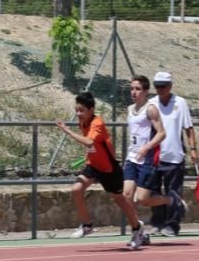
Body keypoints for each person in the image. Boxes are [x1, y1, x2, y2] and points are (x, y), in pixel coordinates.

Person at [56, 91, 147, 249]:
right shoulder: (83, 122)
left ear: (91, 109)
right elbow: (93, 148)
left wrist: (66, 130)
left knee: (122, 202)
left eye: (81, 110)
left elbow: (89, 142)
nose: (78, 114)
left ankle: (137, 229)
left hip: (109, 169)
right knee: (76, 189)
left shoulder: (97, 123)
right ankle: (87, 225)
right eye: (76, 110)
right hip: (93, 166)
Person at [148, 71, 196, 236]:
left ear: (170, 86)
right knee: (153, 191)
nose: (160, 89)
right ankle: (158, 222)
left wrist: (193, 149)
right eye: (157, 86)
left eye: (163, 86)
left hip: (175, 155)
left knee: (173, 191)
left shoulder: (180, 103)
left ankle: (172, 225)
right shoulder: (151, 103)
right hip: (155, 156)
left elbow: (188, 128)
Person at [122, 75, 167, 247]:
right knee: (126, 196)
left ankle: (170, 200)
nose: (134, 92)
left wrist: (146, 147)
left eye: (137, 89)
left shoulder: (151, 109)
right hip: (131, 158)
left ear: (146, 91)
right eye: (132, 88)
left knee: (141, 199)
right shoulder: (129, 109)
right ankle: (137, 231)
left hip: (146, 159)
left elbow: (162, 133)